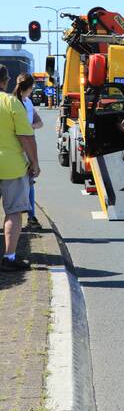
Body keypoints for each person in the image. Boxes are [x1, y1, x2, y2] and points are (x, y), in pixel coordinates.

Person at [0, 66, 40, 271]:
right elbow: (25, 137)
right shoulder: (11, 103)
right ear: (5, 81)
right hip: (11, 168)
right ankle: (9, 258)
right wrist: (35, 163)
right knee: (13, 213)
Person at [14, 74, 44, 231]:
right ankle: (30, 217)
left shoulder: (27, 102)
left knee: (27, 183)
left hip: (17, 147)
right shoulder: (17, 103)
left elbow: (39, 122)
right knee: (27, 183)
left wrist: (32, 126)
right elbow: (34, 126)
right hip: (22, 148)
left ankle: (31, 216)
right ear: (30, 87)